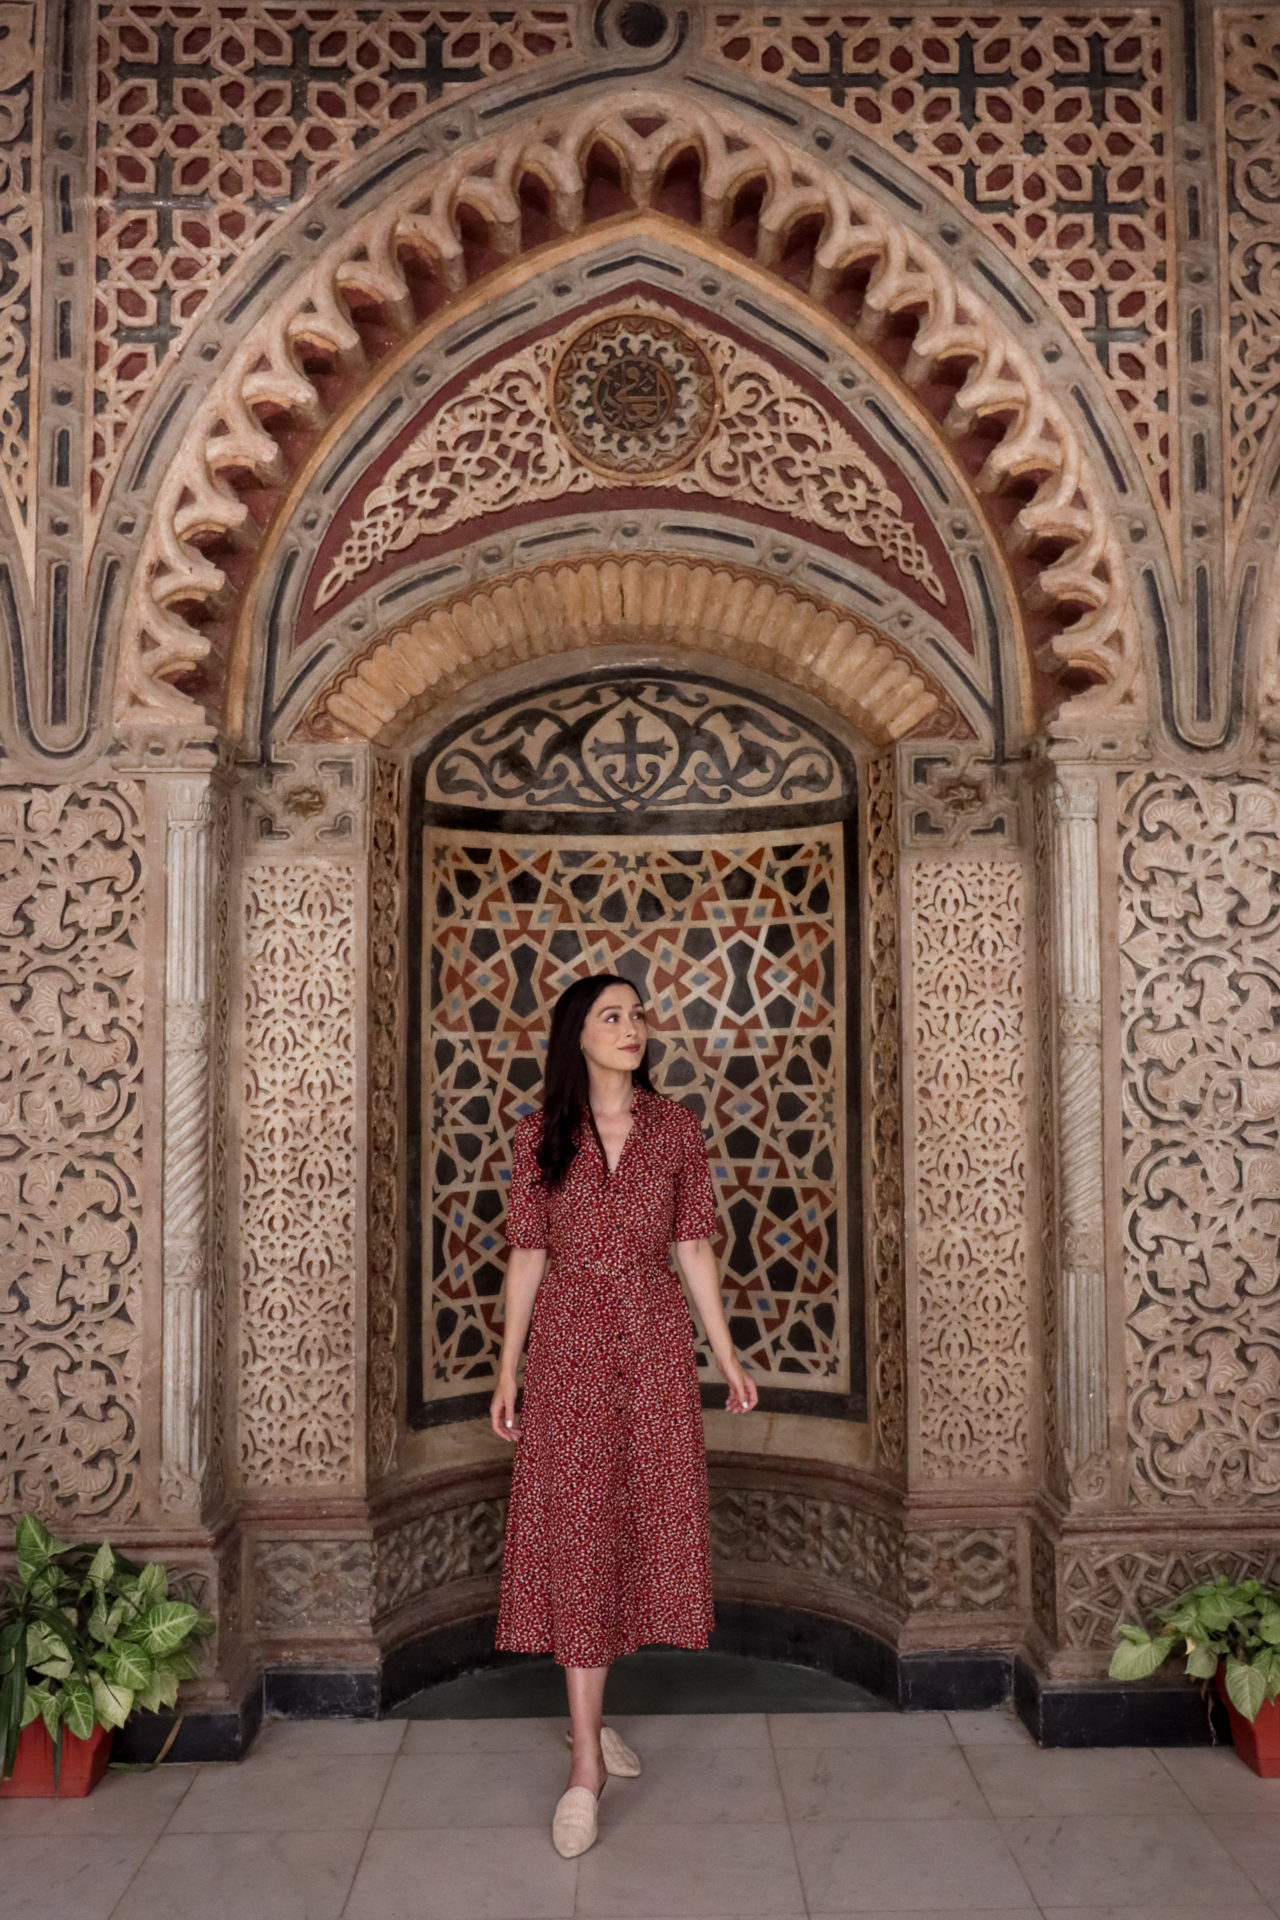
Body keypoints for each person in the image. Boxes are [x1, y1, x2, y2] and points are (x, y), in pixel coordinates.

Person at [490, 971, 757, 1858]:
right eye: (612, 1016)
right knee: (577, 1532)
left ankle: (588, 1715)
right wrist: (508, 1371)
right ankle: (584, 1764)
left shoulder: (676, 1129)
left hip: (648, 1344)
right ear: (578, 1036)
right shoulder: (539, 1136)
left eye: (638, 1015)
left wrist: (724, 1352)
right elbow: (527, 1255)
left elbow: (692, 1245)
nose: (632, 1027)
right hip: (567, 1347)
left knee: (630, 1527)